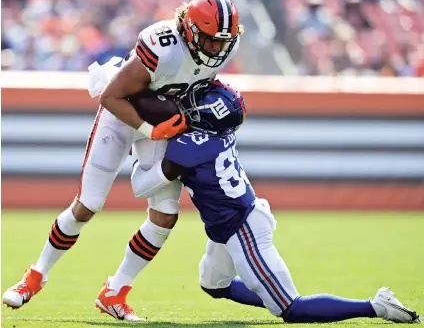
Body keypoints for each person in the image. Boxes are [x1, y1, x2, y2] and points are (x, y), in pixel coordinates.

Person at [3, 0, 244, 322]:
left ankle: (115, 291)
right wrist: (149, 130)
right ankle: (34, 276)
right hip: (122, 115)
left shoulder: (214, 49)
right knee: (87, 205)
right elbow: (111, 96)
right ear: (189, 28)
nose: (216, 49)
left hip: (159, 122)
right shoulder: (162, 44)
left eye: (222, 42)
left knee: (165, 214)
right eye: (210, 40)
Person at [130, 80, 421, 324]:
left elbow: (141, 187)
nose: (188, 103)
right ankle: (273, 295)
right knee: (213, 285)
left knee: (293, 309)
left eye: (196, 103)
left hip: (241, 229)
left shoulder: (189, 147)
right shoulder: (217, 133)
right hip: (231, 222)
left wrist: (142, 146)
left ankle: (375, 306)